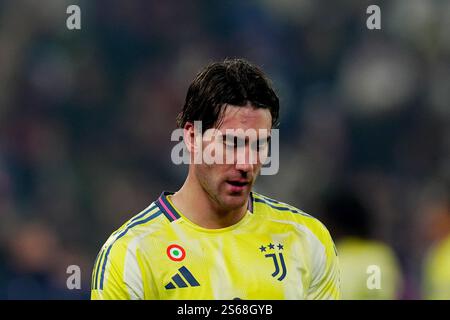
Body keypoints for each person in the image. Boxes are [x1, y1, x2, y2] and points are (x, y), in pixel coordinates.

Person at [91, 58, 340, 299]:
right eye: (231, 143)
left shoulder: (307, 240)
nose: (245, 164)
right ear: (191, 137)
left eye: (258, 146)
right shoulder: (131, 254)